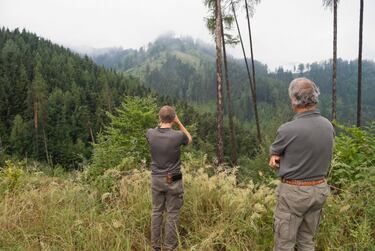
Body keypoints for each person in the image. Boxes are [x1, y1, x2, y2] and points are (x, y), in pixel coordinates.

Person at [269, 78, 334, 251]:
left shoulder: (287, 129)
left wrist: (274, 156)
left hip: (294, 194)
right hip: (319, 190)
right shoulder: (328, 126)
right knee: (306, 241)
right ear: (314, 98)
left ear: (294, 100)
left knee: (284, 244)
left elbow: (275, 151)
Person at [146, 105, 192, 251]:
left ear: (159, 118)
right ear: (173, 118)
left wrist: (163, 120)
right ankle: (169, 247)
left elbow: (156, 129)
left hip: (156, 177)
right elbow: (189, 139)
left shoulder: (150, 133)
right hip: (173, 177)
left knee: (156, 211)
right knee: (173, 213)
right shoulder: (177, 135)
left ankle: (155, 246)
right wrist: (178, 122)